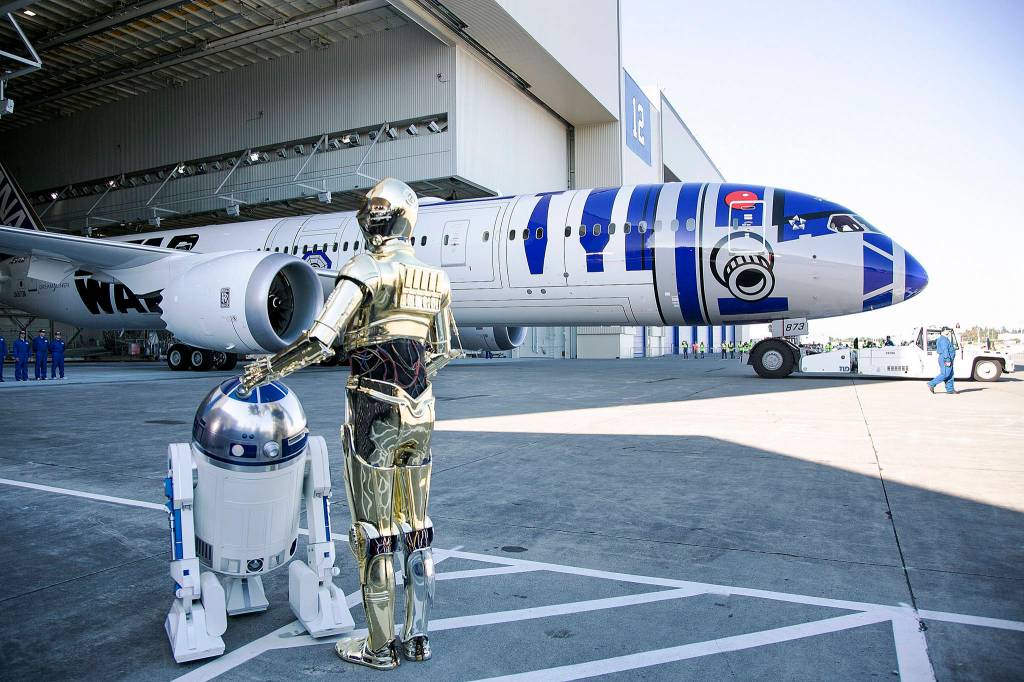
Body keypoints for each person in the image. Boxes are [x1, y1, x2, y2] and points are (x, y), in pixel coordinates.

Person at [239, 178, 458, 670]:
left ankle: (379, 646)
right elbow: (443, 350)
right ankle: (417, 637)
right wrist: (411, 381)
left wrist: (267, 369)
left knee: (373, 530)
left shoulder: (363, 267)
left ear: (393, 215)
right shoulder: (437, 279)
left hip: (372, 407)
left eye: (375, 207)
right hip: (421, 410)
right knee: (418, 526)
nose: (368, 214)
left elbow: (320, 341)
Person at [927, 328, 957, 394]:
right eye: (947, 330)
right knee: (945, 374)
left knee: (950, 375)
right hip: (946, 358)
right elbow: (945, 350)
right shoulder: (943, 339)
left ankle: (950, 389)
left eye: (949, 331)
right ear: (943, 331)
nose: (949, 332)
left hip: (947, 358)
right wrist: (947, 360)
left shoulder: (944, 339)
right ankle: (931, 384)